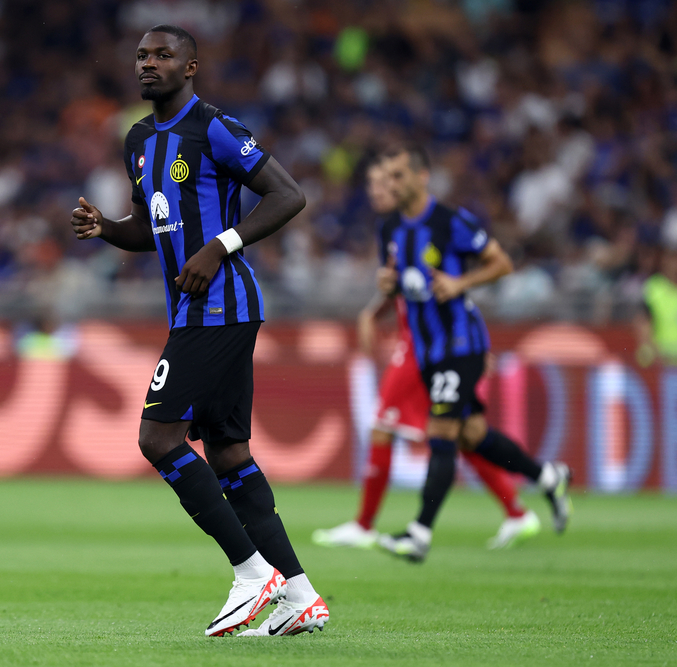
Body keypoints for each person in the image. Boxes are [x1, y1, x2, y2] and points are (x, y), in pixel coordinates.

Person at [69, 25, 328, 637]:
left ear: (190, 67)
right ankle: (299, 595)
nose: (149, 64)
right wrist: (107, 228)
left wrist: (219, 245)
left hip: (221, 306)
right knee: (229, 453)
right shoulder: (138, 139)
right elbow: (150, 226)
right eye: (142, 55)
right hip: (197, 311)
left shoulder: (214, 127)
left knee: (157, 438)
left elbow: (288, 195)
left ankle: (251, 573)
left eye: (163, 55)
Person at [312, 160, 540, 551]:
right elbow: (404, 287)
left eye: (384, 182)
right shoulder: (390, 230)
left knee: (388, 426)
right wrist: (373, 310)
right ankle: (517, 511)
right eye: (373, 184)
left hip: (426, 348)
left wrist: (475, 346)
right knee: (462, 434)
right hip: (420, 344)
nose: (377, 190)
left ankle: (366, 525)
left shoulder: (433, 225)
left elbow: (450, 289)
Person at [371, 144, 573, 563]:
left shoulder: (450, 221)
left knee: (441, 432)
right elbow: (402, 284)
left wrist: (461, 284)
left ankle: (419, 534)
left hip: (461, 344)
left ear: (422, 177)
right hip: (427, 351)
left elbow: (501, 263)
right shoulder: (390, 229)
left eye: (399, 175)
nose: (392, 184)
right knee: (472, 434)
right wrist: (388, 285)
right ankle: (546, 476)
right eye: (387, 177)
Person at [635, 247, 677, 367]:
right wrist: (650, 347)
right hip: (660, 359)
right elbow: (643, 321)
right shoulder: (653, 287)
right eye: (673, 258)